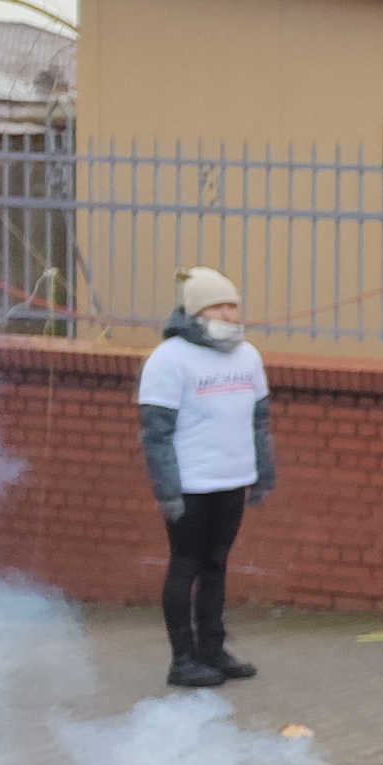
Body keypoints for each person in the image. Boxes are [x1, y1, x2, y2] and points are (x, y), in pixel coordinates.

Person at [135, 267, 275, 691]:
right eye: (220, 305)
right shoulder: (170, 359)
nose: (230, 313)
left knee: (216, 565)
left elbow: (258, 421)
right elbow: (155, 433)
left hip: (231, 479)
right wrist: (167, 490)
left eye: (233, 305)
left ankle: (212, 648)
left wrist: (262, 474)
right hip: (191, 485)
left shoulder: (247, 355)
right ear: (197, 311)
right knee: (185, 566)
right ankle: (182, 659)